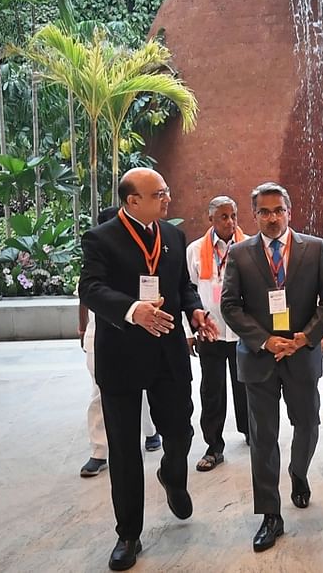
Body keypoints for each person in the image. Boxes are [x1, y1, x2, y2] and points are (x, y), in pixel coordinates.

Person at [78, 168, 219, 571]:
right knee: (124, 450)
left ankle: (173, 477)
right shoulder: (101, 238)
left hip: (168, 352)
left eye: (167, 190)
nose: (167, 198)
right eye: (159, 193)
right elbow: (90, 287)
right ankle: (129, 534)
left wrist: (195, 311)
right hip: (121, 355)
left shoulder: (172, 236)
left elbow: (181, 287)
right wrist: (131, 309)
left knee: (180, 430)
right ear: (132, 201)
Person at [220, 182, 323, 553]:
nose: (272, 219)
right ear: (254, 215)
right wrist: (265, 340)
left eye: (278, 211)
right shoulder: (240, 254)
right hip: (259, 358)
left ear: (289, 211)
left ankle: (299, 473)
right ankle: (270, 513)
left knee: (308, 424)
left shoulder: (315, 248)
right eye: (264, 212)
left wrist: (306, 337)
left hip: (302, 355)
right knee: (264, 437)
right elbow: (230, 305)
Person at [79, 207, 161, 480]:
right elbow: (86, 294)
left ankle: (150, 432)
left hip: (141, 330)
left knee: (146, 389)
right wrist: (82, 328)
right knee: (100, 393)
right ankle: (99, 451)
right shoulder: (96, 249)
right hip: (101, 335)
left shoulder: (142, 253)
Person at [184, 196, 251, 472]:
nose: (230, 222)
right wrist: (189, 331)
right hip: (209, 333)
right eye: (223, 216)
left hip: (242, 333)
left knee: (246, 386)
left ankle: (251, 432)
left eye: (233, 215)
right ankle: (214, 446)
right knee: (212, 390)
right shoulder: (196, 249)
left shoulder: (248, 246)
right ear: (210, 219)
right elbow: (186, 291)